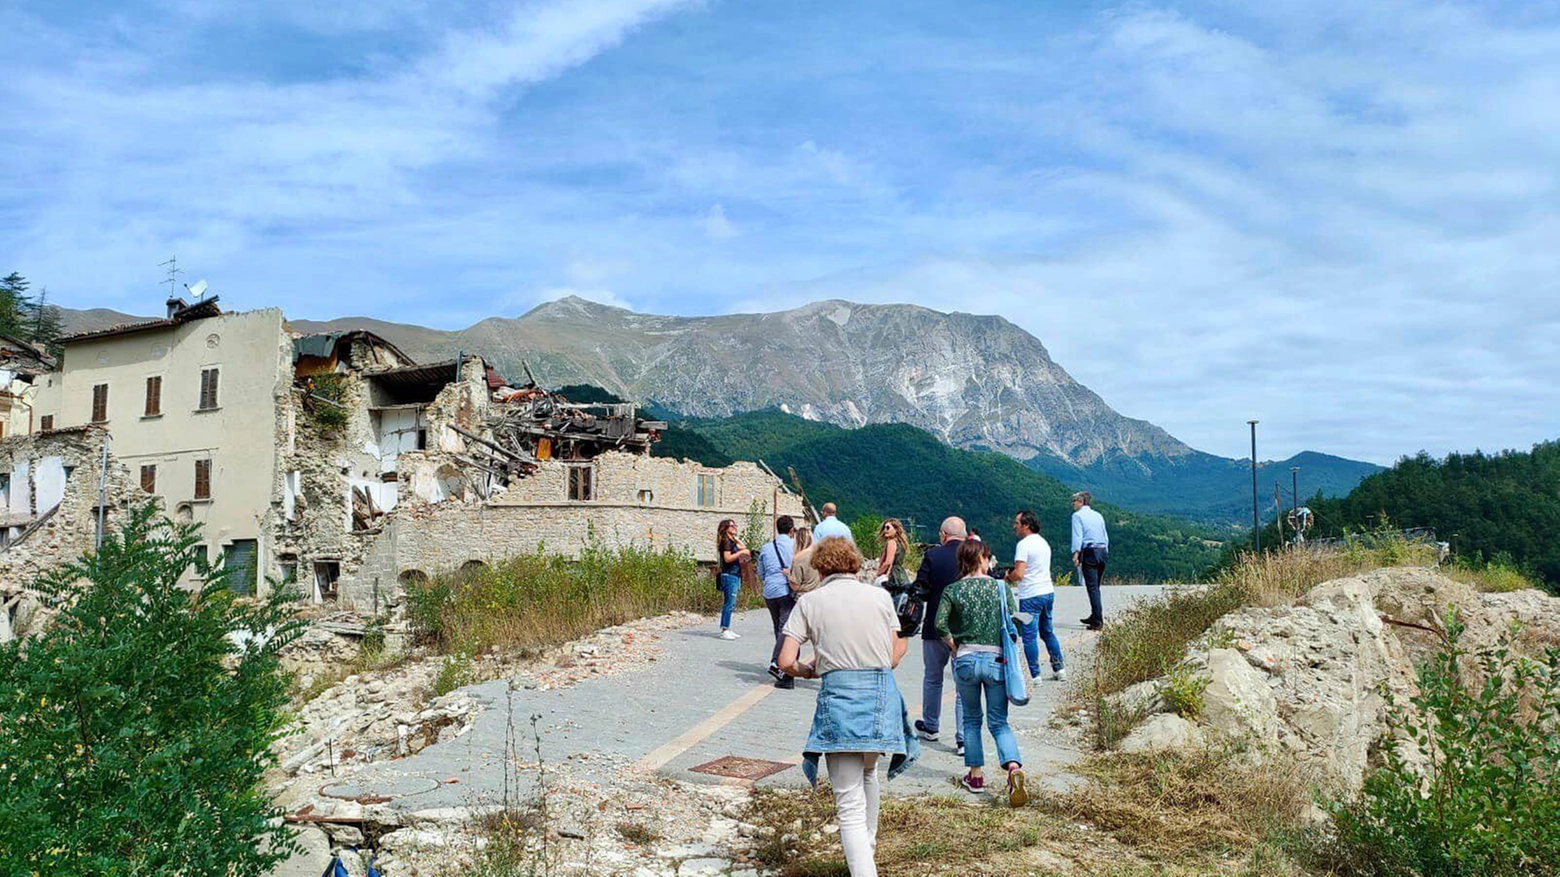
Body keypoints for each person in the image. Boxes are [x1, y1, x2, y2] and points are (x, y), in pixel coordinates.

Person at [779, 537, 919, 877]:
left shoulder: (810, 602)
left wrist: (809, 669)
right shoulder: (879, 596)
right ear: (855, 563)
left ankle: (863, 868)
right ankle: (867, 850)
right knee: (869, 773)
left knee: (848, 802)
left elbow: (785, 661)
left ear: (821, 566)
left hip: (840, 699)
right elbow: (894, 654)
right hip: (879, 695)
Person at [934, 539, 1029, 808]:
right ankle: (1012, 768)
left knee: (972, 720)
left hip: (966, 659)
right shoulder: (1000, 588)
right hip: (996, 659)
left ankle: (975, 777)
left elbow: (940, 624)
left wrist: (954, 647)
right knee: (999, 722)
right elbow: (1013, 619)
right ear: (983, 559)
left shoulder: (953, 590)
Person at [911, 517, 967, 755]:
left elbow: (920, 588)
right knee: (963, 683)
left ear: (943, 534)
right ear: (963, 536)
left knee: (933, 677)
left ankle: (931, 725)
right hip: (964, 630)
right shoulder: (971, 555)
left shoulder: (932, 556)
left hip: (935, 626)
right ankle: (964, 737)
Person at [1006, 510, 1065, 680]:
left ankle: (1035, 675)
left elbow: (1019, 573)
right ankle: (1059, 668)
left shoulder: (1023, 545)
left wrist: (1008, 577)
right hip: (1047, 591)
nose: (1014, 526)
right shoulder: (1043, 542)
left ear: (1026, 525)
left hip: (1030, 595)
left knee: (1029, 636)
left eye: (1017, 523)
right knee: (1047, 632)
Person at [758, 515, 798, 689]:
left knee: (778, 628)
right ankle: (781, 665)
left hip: (770, 592)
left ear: (777, 529)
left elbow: (760, 573)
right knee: (787, 630)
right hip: (786, 590)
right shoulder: (795, 547)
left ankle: (787, 668)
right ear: (791, 530)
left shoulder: (766, 548)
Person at [1071, 492, 1110, 631]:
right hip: (1102, 551)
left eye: (1074, 501)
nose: (1073, 503)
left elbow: (1077, 537)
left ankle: (1097, 621)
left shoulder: (1077, 516)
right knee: (1096, 587)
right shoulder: (1098, 515)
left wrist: (1076, 554)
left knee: (1092, 588)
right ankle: (1094, 615)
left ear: (1081, 502)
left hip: (1090, 552)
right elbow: (1105, 535)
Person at [715, 519, 749, 640]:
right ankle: (724, 629)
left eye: (735, 525)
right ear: (725, 528)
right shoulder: (726, 542)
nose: (735, 527)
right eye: (732, 526)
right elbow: (727, 558)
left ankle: (727, 628)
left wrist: (735, 538)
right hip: (729, 575)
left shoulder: (730, 541)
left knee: (731, 602)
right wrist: (740, 554)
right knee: (729, 603)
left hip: (734, 574)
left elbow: (743, 547)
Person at [873, 518, 910, 585]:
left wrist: (878, 574)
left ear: (895, 529)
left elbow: (888, 562)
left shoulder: (891, 542)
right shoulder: (901, 543)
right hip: (900, 574)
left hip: (892, 576)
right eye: (884, 528)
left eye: (888, 528)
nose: (885, 530)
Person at [788, 526, 821, 594]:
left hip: (804, 596)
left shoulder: (798, 558)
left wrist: (788, 574)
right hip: (818, 594)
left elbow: (795, 587)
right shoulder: (819, 555)